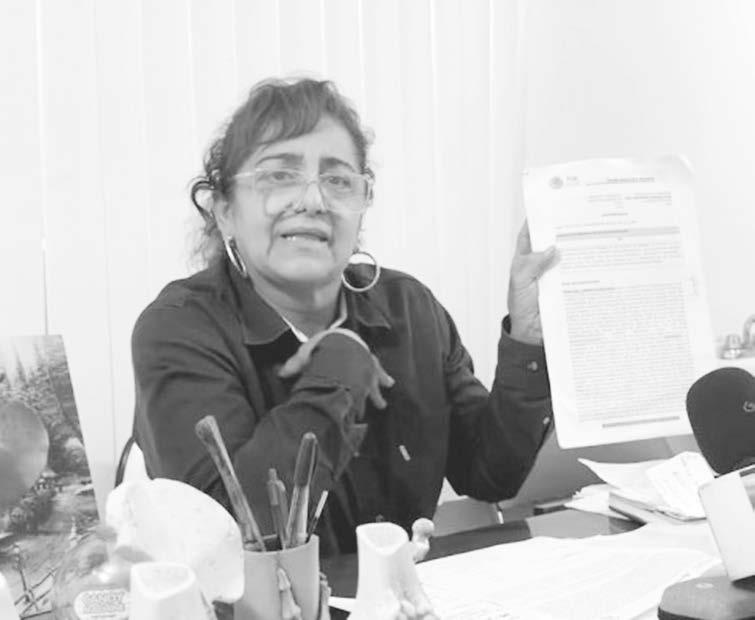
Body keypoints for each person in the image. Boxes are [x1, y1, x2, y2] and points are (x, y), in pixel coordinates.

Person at [132, 77, 557, 558]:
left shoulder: (408, 308)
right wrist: (340, 370)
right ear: (225, 210)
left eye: (337, 181)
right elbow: (231, 537)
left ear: (361, 204)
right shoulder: (180, 329)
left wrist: (528, 340)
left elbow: (490, 474)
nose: (313, 201)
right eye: (279, 176)